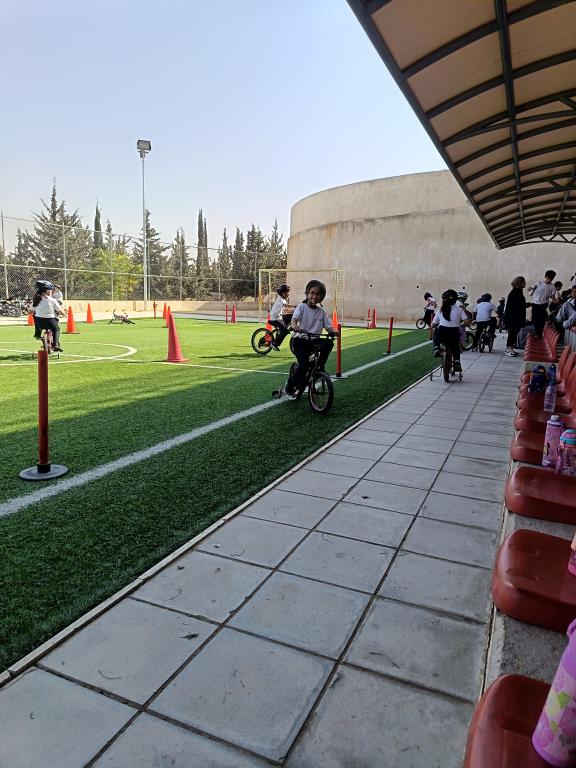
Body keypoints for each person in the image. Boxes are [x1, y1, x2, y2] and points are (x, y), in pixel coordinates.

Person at [285, 280, 338, 398]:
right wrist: (295, 326)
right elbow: (294, 319)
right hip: (300, 340)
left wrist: (333, 332)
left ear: (321, 297)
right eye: (312, 293)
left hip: (314, 341)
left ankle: (320, 366)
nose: (315, 296)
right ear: (307, 294)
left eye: (318, 294)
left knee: (329, 343)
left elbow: (329, 327)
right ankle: (290, 384)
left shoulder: (321, 312)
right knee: (303, 365)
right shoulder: (302, 307)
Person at [431, 289, 470, 372]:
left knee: (435, 330)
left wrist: (436, 324)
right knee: (456, 345)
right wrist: (461, 324)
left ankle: (436, 348)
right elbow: (467, 322)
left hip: (442, 332)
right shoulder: (459, 309)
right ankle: (457, 361)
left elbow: (433, 325)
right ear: (456, 300)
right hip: (454, 332)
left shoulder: (440, 310)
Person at [504, 275, 530, 356]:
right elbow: (516, 305)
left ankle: (510, 348)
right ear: (520, 283)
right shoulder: (516, 292)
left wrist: (525, 305)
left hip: (515, 317)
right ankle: (509, 348)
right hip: (513, 318)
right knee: (512, 333)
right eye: (524, 282)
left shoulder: (517, 292)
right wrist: (525, 305)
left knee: (514, 333)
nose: (525, 283)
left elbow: (519, 304)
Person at [34, 284, 66, 351]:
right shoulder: (52, 300)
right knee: (56, 329)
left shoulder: (36, 300)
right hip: (50, 321)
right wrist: (65, 315)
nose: (51, 291)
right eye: (50, 290)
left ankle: (37, 334)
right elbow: (60, 311)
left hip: (39, 323)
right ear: (47, 291)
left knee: (35, 317)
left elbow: (30, 311)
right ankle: (56, 344)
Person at [528, 269, 557, 337]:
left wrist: (556, 302)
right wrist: (531, 288)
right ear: (545, 277)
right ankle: (536, 332)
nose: (549, 280)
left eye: (551, 279)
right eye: (548, 278)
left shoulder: (552, 287)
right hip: (535, 303)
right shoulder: (539, 283)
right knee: (534, 319)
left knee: (540, 319)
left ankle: (539, 333)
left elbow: (553, 298)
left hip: (543, 304)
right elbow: (530, 289)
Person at [269, 284, 294, 350]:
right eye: (288, 292)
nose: (289, 293)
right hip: (275, 319)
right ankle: (274, 344)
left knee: (291, 316)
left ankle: (291, 327)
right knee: (285, 331)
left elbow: (286, 309)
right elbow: (286, 306)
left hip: (279, 317)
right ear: (283, 293)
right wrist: (295, 306)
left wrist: (294, 311)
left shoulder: (283, 300)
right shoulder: (280, 299)